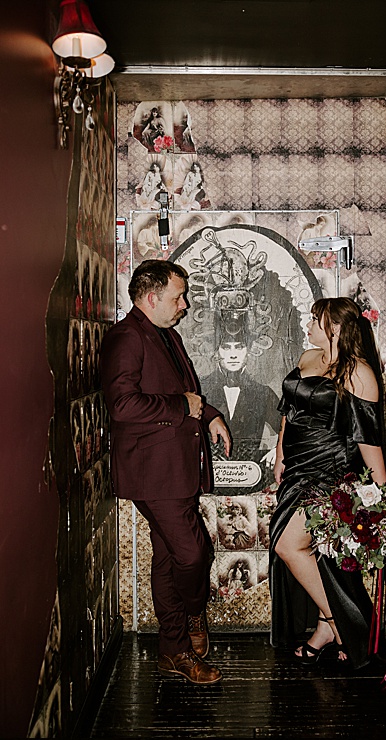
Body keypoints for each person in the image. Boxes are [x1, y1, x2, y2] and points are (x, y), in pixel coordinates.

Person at [100, 258, 231, 685]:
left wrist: (208, 414)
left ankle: (171, 650)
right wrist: (182, 408)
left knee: (168, 556)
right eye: (178, 296)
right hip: (152, 473)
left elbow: (182, 391)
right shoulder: (126, 337)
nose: (185, 304)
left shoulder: (165, 335)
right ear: (152, 296)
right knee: (194, 553)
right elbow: (121, 405)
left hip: (173, 468)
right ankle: (192, 618)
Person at [268, 294, 386, 674]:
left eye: (314, 319)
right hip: (297, 467)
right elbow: (290, 409)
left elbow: (368, 437)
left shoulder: (359, 373)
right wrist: (280, 452)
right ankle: (324, 629)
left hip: (330, 471)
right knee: (321, 555)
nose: (308, 324)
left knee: (288, 545)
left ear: (334, 328)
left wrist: (378, 491)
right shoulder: (308, 357)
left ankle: (345, 627)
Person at [204, 319, 280, 472]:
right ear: (217, 351)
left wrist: (279, 450)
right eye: (226, 347)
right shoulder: (199, 389)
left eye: (239, 347)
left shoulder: (264, 393)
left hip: (251, 474)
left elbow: (287, 428)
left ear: (249, 350)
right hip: (207, 473)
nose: (233, 355)